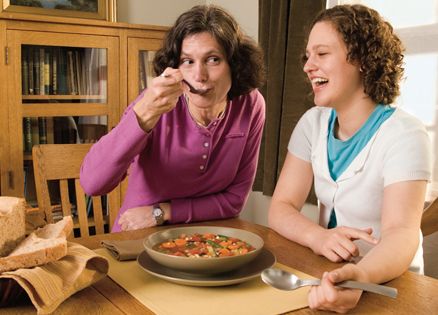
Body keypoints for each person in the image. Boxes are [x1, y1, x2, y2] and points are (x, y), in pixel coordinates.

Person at [268, 4, 431, 313]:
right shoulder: (312, 123)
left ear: (362, 60)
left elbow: (402, 233)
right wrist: (318, 238)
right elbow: (280, 208)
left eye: (322, 54)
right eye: (308, 56)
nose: (308, 66)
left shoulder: (406, 134)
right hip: (326, 276)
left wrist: (362, 275)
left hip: (392, 290)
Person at [80, 5, 265, 232]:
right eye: (187, 61)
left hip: (210, 238)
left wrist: (162, 212)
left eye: (213, 59)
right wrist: (144, 114)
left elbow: (234, 201)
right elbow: (93, 184)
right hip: (139, 238)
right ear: (174, 68)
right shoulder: (153, 103)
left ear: (235, 66)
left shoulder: (251, 105)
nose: (199, 76)